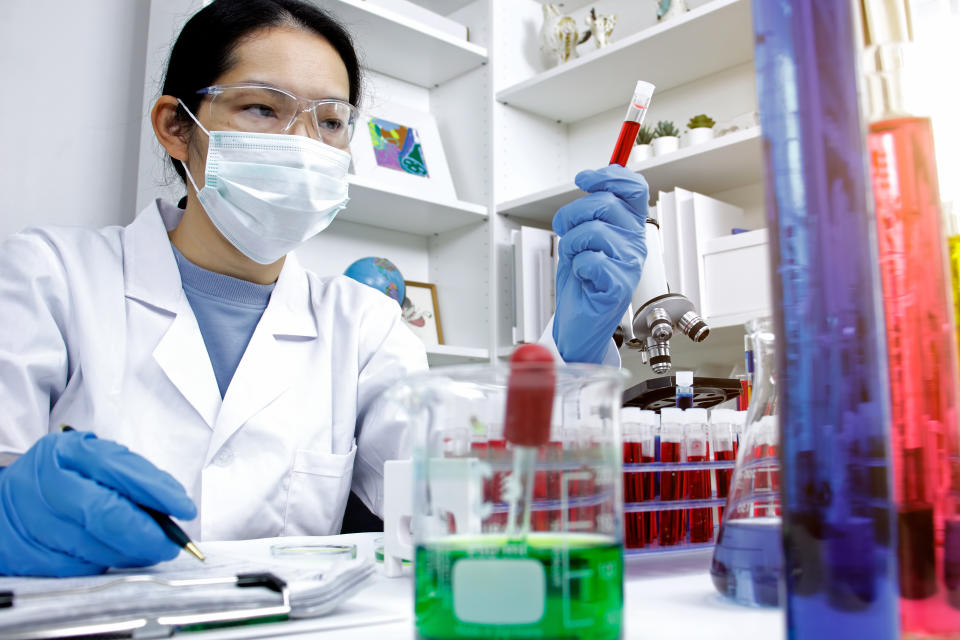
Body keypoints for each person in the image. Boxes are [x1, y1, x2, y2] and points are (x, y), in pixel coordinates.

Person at [0, 0, 648, 577]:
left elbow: (469, 502)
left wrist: (571, 352)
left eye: (331, 122)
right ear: (176, 126)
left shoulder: (363, 325)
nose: (305, 145)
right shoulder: (47, 278)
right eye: (263, 107)